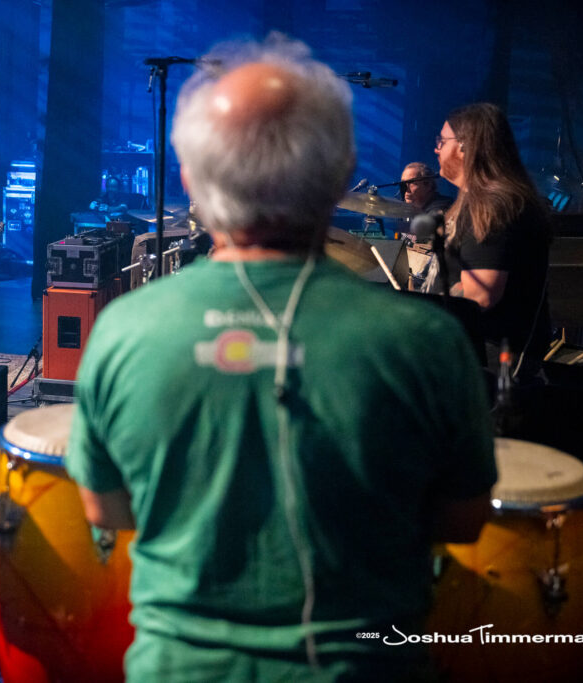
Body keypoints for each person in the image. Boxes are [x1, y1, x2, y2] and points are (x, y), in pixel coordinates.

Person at [66, 34, 496, 682]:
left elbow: (103, 508)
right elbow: (464, 518)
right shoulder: (430, 343)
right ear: (342, 171)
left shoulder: (122, 329)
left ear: (189, 180)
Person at [427, 103, 552, 373]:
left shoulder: (491, 205)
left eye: (442, 140)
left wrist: (423, 312)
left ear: (465, 146)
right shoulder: (481, 201)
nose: (436, 148)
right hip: (479, 352)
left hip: (490, 363)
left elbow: (480, 295)